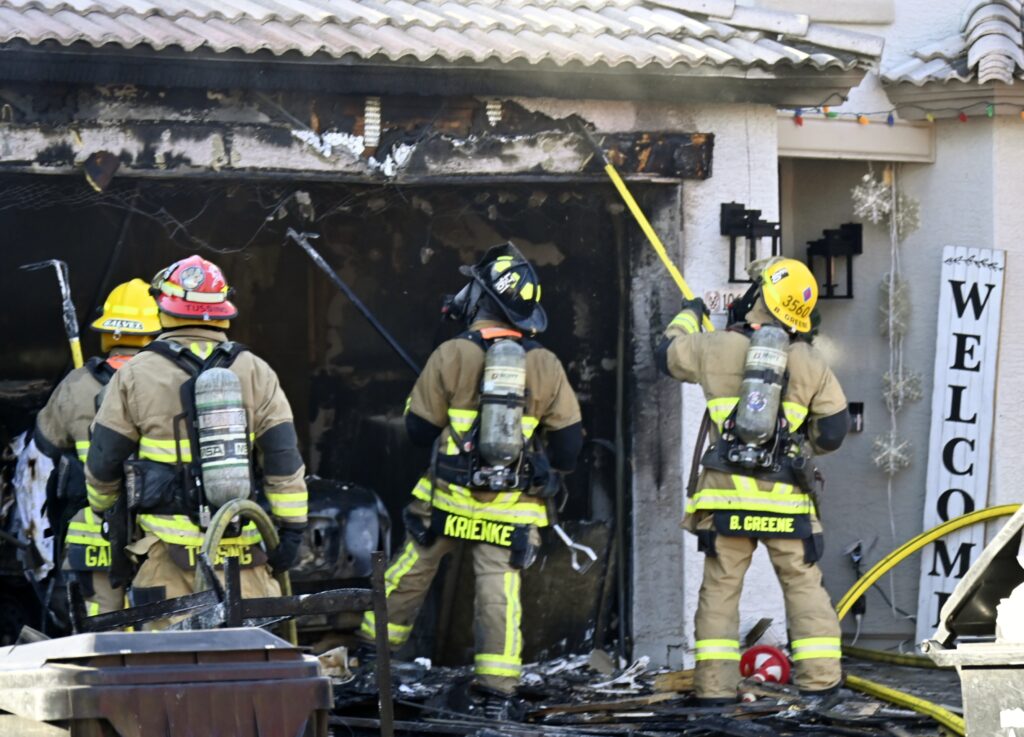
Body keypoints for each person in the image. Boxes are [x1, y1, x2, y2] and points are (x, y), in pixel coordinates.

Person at [358, 243, 583, 717]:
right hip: (510, 511)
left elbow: (418, 432)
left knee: (409, 574)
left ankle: (369, 660)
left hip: (446, 502)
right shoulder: (545, 364)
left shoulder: (452, 353)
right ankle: (497, 690)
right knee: (499, 595)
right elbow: (568, 450)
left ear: (482, 298)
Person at [656, 257, 850, 704]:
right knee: (802, 585)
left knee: (721, 590)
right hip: (786, 503)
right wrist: (799, 444)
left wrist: (689, 315)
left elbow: (664, 354)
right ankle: (821, 683)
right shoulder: (809, 360)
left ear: (760, 295)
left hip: (725, 501)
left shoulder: (713, 346)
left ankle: (714, 690)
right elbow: (833, 433)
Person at [84, 255, 307, 620]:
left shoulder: (136, 374)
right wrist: (292, 530)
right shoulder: (257, 371)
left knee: (172, 656)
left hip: (167, 566)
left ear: (164, 308)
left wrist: (104, 511)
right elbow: (283, 459)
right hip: (244, 563)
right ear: (222, 311)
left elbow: (103, 462)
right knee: (252, 654)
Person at [34, 278, 162, 616]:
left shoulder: (76, 384)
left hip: (91, 537)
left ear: (107, 333)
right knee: (157, 627)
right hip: (156, 536)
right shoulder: (168, 382)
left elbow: (46, 444)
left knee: (99, 630)